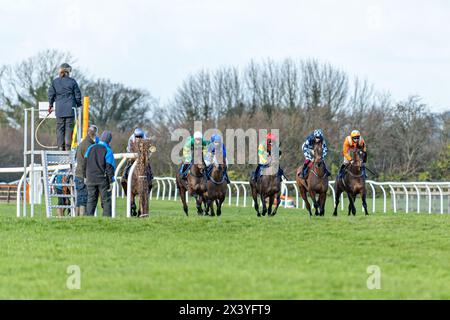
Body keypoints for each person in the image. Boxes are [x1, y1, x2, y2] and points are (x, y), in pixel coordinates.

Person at [48, 63, 83, 151]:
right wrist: (79, 104)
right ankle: (68, 148)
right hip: (70, 109)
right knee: (69, 128)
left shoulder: (55, 82)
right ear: (68, 71)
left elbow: (51, 94)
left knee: (60, 128)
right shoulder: (72, 81)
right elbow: (78, 95)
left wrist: (50, 105)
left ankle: (60, 147)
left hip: (59, 109)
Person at [84, 131, 116, 217]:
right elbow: (110, 167)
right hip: (102, 180)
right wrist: (111, 181)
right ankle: (106, 220)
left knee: (91, 200)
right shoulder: (108, 150)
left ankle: (88, 220)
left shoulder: (90, 148)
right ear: (109, 141)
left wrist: (85, 176)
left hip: (90, 178)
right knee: (106, 200)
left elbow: (85, 163)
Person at [74, 125, 98, 216]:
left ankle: (77, 218)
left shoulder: (82, 143)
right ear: (94, 134)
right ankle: (82, 219)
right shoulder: (90, 146)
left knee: (79, 199)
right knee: (84, 200)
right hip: (84, 176)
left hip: (78, 174)